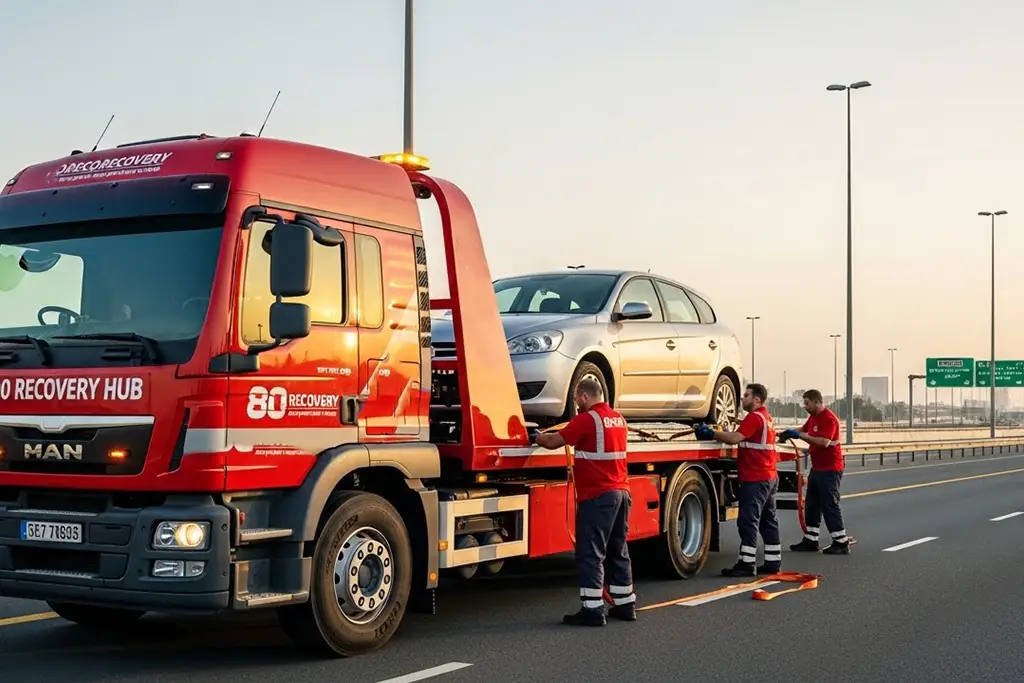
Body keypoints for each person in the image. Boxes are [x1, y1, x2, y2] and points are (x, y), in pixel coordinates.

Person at [534, 377, 636, 627]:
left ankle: (592, 609)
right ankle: (625, 605)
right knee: (618, 550)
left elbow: (553, 442)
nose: (577, 405)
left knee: (591, 553)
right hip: (621, 493)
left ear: (584, 397)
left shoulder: (587, 419)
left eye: (577, 400)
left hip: (599, 496)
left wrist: (535, 436)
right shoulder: (618, 419)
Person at [694, 383, 781, 577]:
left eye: (747, 396)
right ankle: (773, 562)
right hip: (768, 476)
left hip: (755, 477)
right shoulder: (767, 418)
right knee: (768, 520)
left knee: (748, 521)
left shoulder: (754, 417)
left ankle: (747, 563)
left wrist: (712, 433)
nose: (743, 399)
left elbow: (734, 438)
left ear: (757, 399)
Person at [780, 389, 850, 554]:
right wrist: (787, 431)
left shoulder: (829, 419)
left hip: (830, 469)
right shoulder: (814, 417)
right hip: (817, 468)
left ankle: (841, 542)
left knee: (829, 504)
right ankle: (811, 539)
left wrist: (800, 436)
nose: (805, 406)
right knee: (812, 504)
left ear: (817, 402)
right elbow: (804, 429)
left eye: (807, 403)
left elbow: (824, 442)